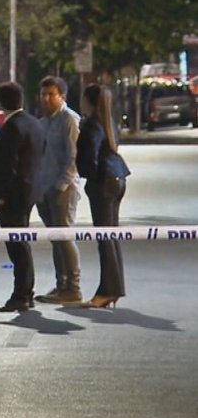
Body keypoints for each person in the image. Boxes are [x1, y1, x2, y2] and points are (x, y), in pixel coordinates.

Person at [0, 82, 45, 312]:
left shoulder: (12, 128)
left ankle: (22, 293)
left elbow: (8, 167)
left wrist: (2, 196)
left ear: (1, 102)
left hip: (14, 196)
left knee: (17, 246)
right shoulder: (34, 124)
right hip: (29, 192)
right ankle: (26, 291)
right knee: (21, 243)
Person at [75, 84, 130, 308]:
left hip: (104, 183)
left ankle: (107, 290)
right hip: (117, 178)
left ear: (88, 101)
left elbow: (90, 157)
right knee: (111, 236)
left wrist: (86, 177)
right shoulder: (107, 120)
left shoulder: (91, 125)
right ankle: (113, 288)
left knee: (105, 238)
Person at [33, 76, 83, 304]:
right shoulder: (44, 122)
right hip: (44, 189)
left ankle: (73, 286)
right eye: (43, 94)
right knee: (55, 238)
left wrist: (60, 184)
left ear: (61, 96)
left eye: (50, 94)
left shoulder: (69, 120)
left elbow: (73, 158)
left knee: (65, 235)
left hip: (63, 188)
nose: (45, 99)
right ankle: (61, 284)